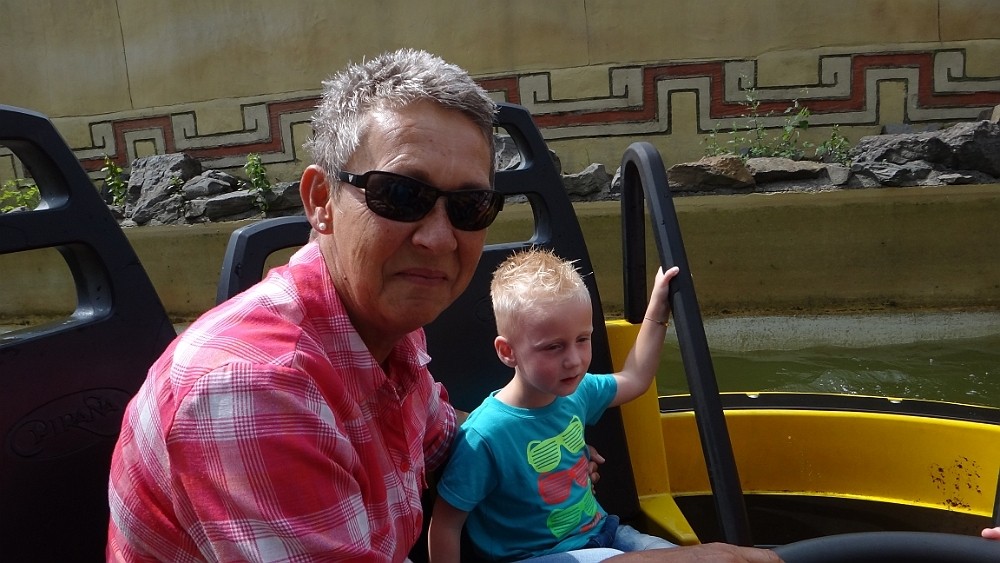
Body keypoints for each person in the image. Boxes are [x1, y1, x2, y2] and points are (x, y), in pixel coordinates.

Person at [107, 47, 781, 563]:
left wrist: (531, 444)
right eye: (401, 195)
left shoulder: (388, 333)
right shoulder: (250, 390)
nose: (438, 237)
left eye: (470, 205)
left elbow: (440, 438)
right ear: (320, 202)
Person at [428, 249, 681, 562]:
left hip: (603, 532)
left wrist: (658, 307)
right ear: (508, 352)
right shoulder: (485, 435)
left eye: (582, 339)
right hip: (534, 556)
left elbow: (636, 378)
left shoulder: (578, 391)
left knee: (683, 557)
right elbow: (446, 524)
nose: (573, 360)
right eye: (553, 347)